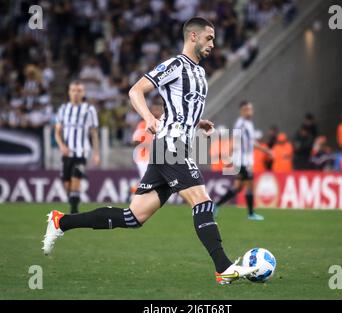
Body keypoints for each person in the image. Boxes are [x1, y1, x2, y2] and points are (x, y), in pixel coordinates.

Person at [42, 17, 259, 285]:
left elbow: (180, 106)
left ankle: (61, 222)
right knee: (202, 201)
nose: (213, 44)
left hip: (176, 145)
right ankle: (223, 268)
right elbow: (136, 91)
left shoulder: (200, 73)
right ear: (193, 36)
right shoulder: (175, 65)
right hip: (170, 145)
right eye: (209, 38)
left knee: (133, 217)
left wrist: (196, 122)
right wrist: (148, 118)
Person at [214, 101, 272, 221]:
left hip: (244, 161)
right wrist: (227, 156)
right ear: (241, 111)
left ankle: (215, 205)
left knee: (238, 187)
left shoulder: (249, 124)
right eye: (246, 109)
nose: (249, 111)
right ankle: (251, 214)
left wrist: (265, 150)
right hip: (242, 161)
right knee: (249, 186)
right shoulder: (241, 124)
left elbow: (251, 142)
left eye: (250, 108)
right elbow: (234, 140)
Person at [54, 80, 101, 214]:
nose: (76, 93)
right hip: (66, 152)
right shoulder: (63, 109)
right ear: (69, 92)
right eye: (73, 90)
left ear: (83, 93)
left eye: (79, 90)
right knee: (67, 184)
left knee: (76, 180)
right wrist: (61, 146)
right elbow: (57, 132)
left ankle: (74, 211)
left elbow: (94, 132)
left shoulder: (89, 109)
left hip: (82, 152)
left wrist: (96, 153)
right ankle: (73, 201)